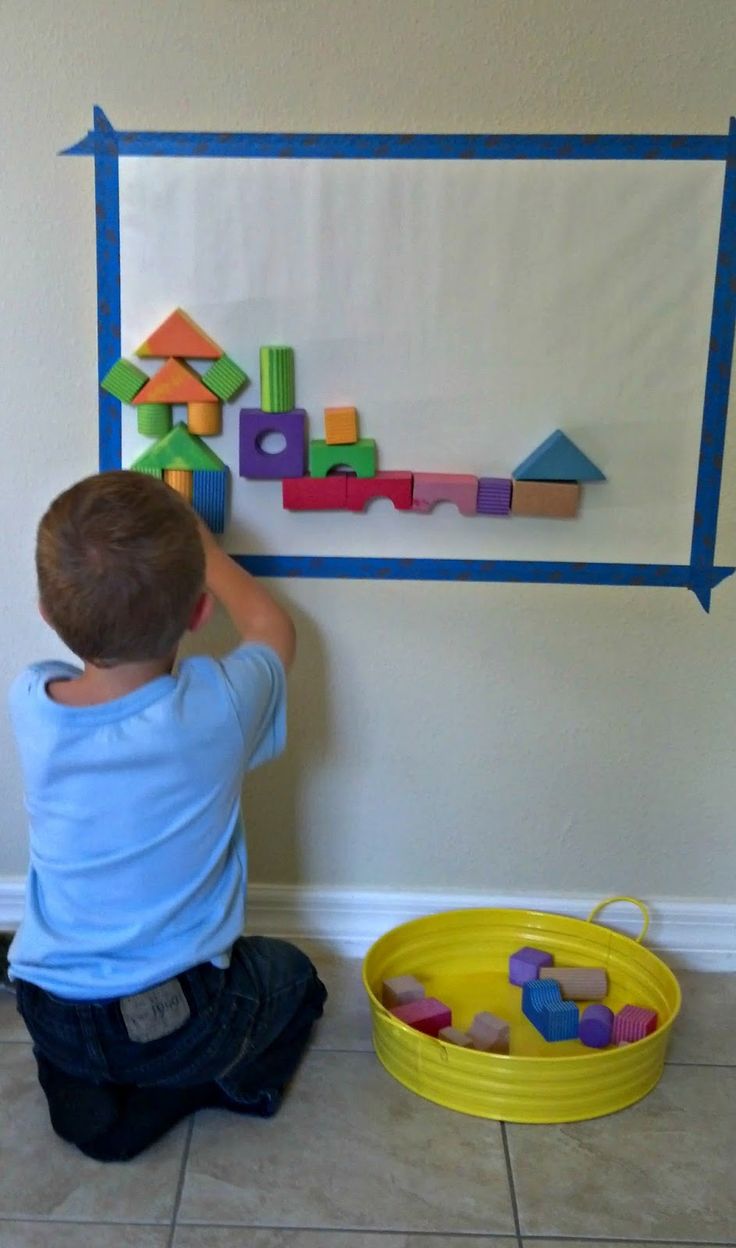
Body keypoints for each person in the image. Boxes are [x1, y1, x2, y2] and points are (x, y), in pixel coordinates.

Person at [7, 470, 326, 1162]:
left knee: (88, 1041)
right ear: (199, 612)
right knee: (295, 977)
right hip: (180, 1020)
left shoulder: (31, 702)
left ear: (45, 610)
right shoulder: (215, 708)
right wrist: (202, 547)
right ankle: (198, 1086)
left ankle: (83, 1085)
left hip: (48, 1004)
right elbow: (273, 626)